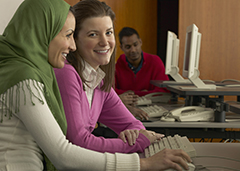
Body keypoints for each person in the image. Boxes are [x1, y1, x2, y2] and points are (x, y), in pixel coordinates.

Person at [0, 0, 191, 170]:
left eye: (108, 32)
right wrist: (142, 161)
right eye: (68, 35)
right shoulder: (27, 78)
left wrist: (138, 135)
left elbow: (132, 125)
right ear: (44, 32)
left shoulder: (39, 73)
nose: (72, 46)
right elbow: (64, 153)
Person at [54, 0, 164, 154]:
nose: (105, 42)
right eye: (93, 34)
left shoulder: (98, 81)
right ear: (75, 39)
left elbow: (135, 126)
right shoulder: (66, 73)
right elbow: (78, 142)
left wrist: (133, 134)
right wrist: (135, 143)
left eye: (108, 32)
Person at [115, 27, 170, 120]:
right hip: (126, 111)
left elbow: (164, 92)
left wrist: (129, 94)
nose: (133, 50)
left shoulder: (155, 61)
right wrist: (144, 93)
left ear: (140, 42)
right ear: (121, 47)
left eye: (135, 44)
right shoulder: (116, 66)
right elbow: (111, 93)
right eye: (128, 47)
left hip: (152, 110)